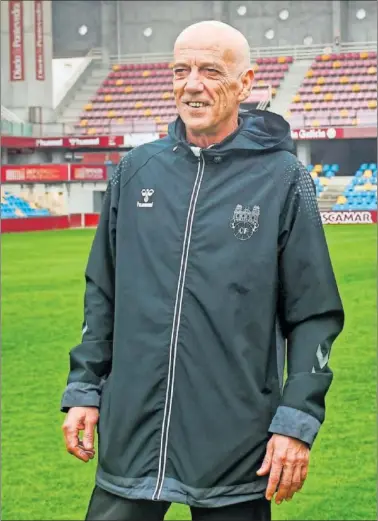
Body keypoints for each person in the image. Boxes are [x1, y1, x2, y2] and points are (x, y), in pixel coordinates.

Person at [61, 20, 344, 521]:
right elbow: (102, 293)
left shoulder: (284, 180)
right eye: (180, 70)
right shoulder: (135, 171)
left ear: (245, 82)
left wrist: (297, 418)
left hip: (236, 440)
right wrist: (85, 388)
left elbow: (313, 313)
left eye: (211, 70)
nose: (192, 83)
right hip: (133, 431)